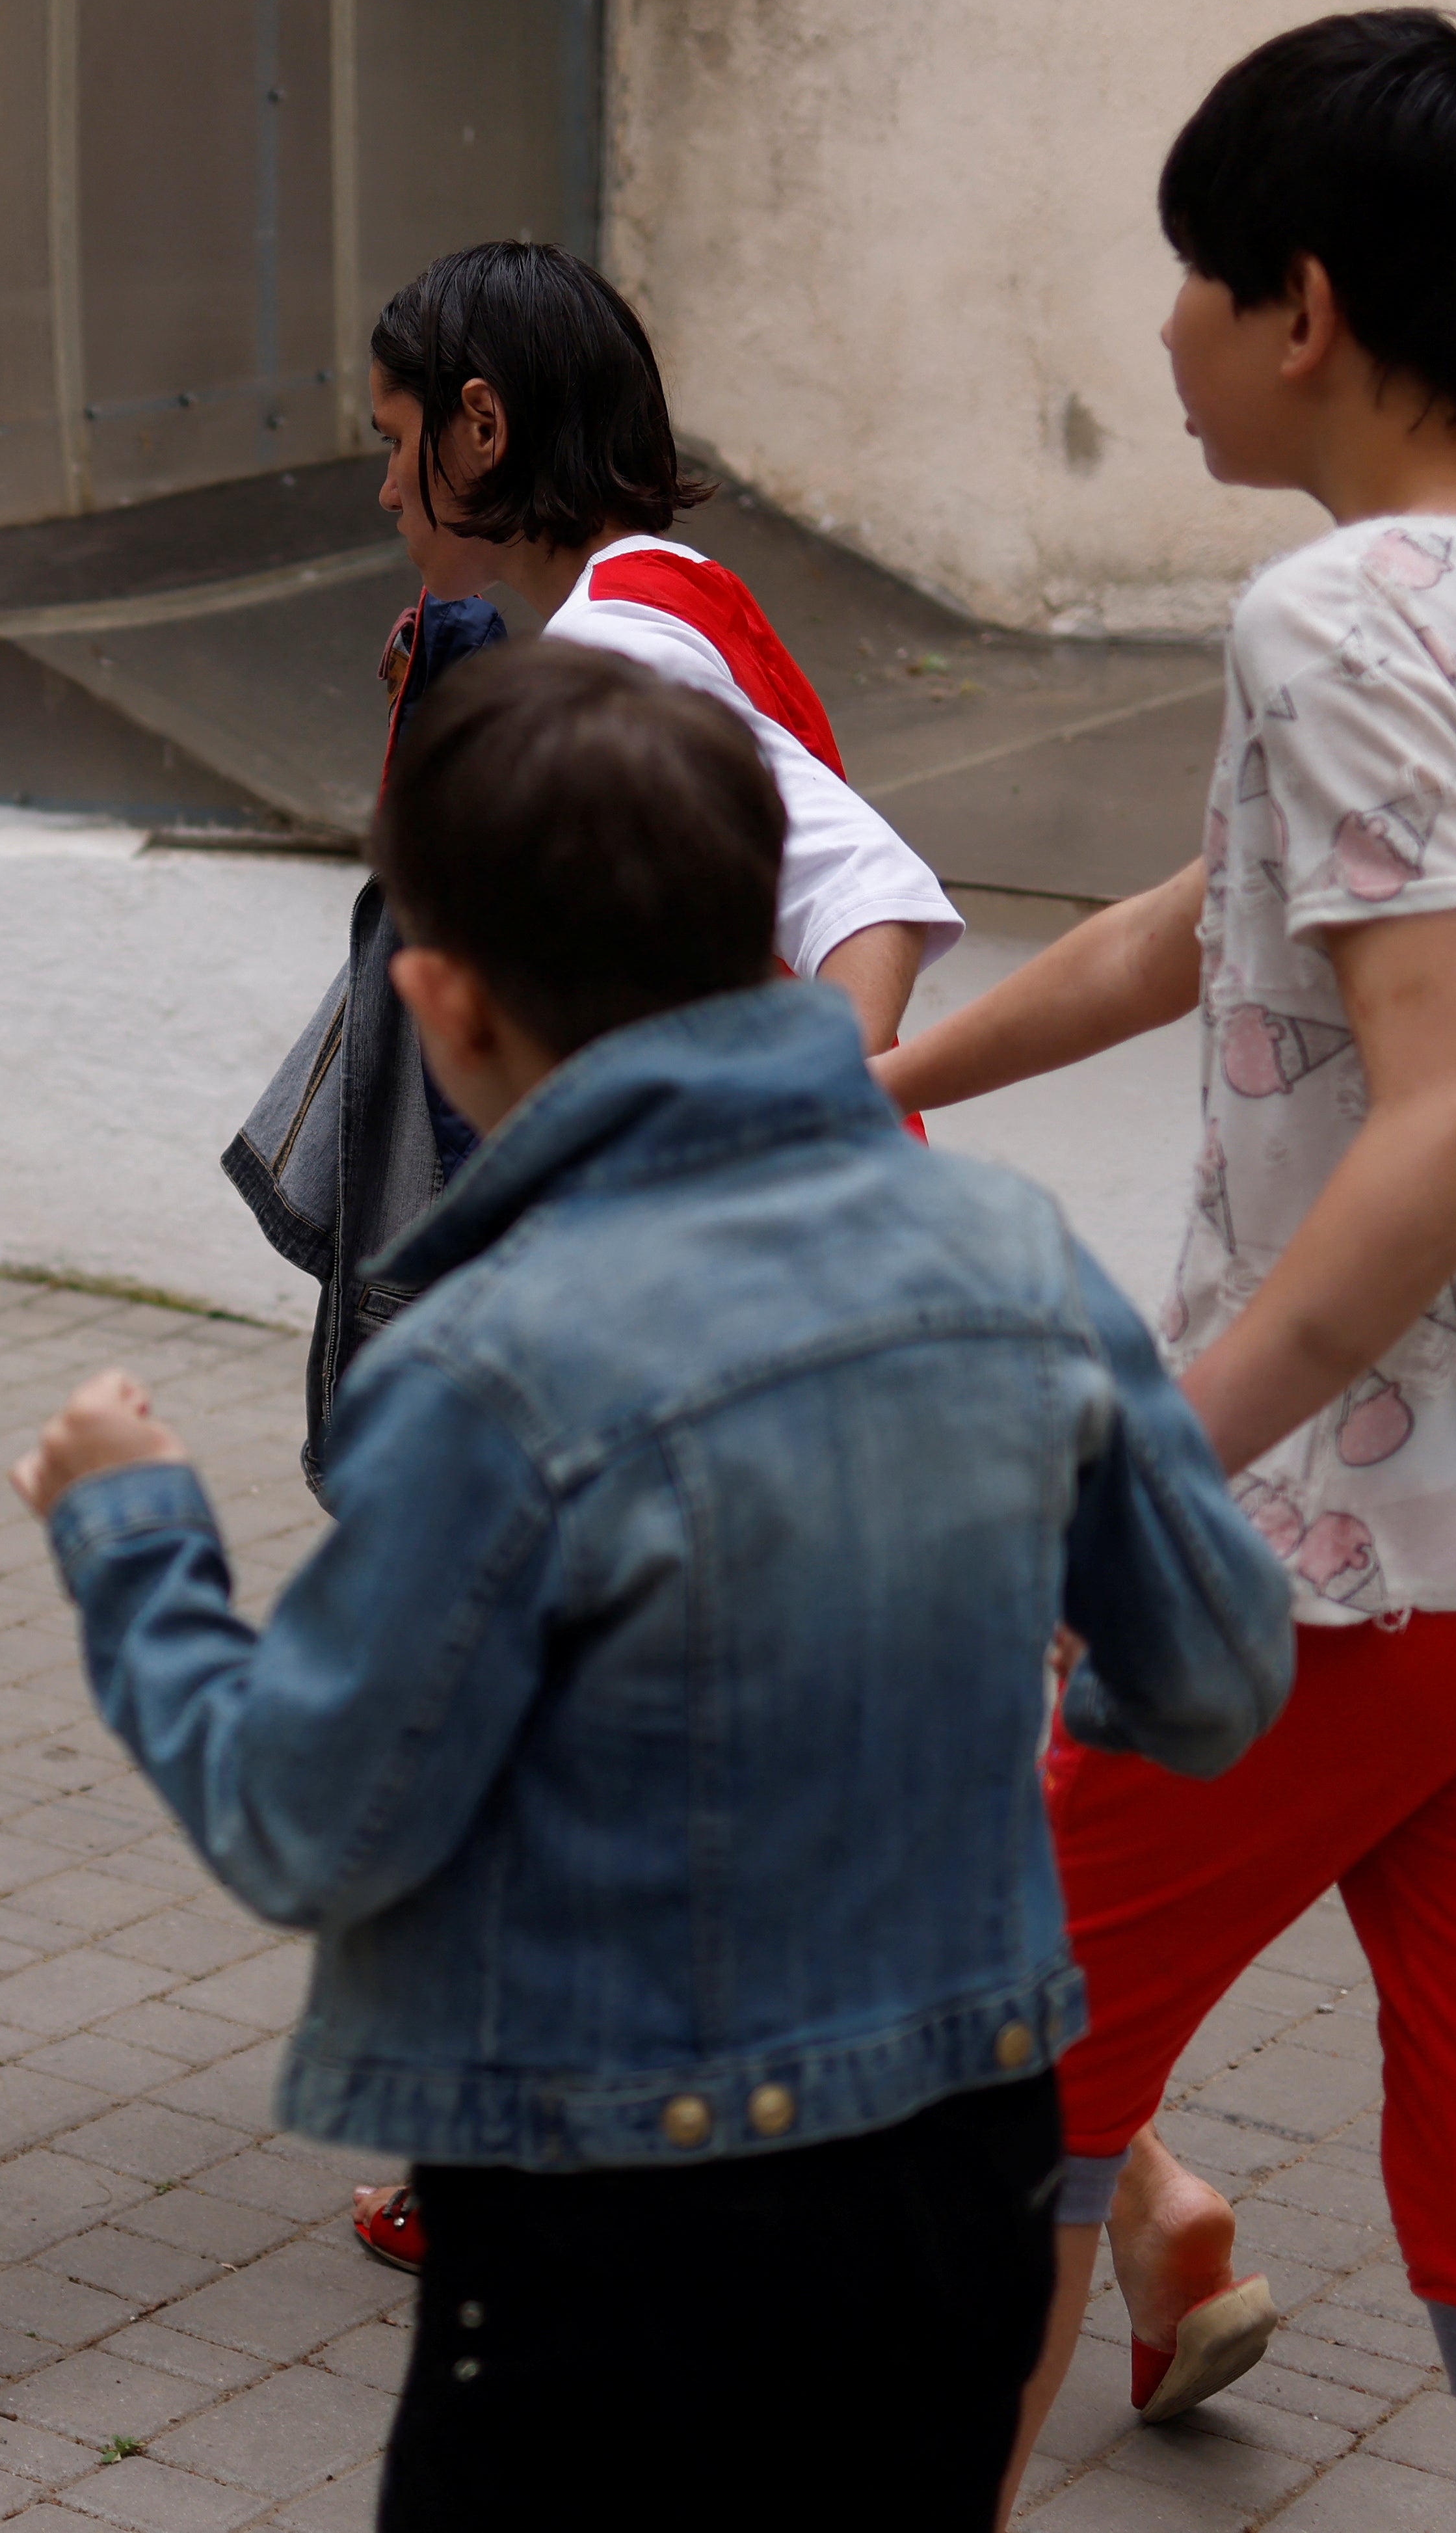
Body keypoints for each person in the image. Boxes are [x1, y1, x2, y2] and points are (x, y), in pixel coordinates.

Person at [16, 646, 1293, 2526]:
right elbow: (1213, 1674)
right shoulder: (1006, 1252)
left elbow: (310, 1821)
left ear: (437, 1004)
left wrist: (138, 1541)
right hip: (970, 2166)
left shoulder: (492, 1367)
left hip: (615, 2228)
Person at [877, 14, 1456, 2529]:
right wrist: (882, 1086)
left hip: (1325, 1586)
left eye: (1188, 280)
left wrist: (1136, 1474)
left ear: (1302, 307)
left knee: (981, 2149)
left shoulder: (1331, 617)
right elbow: (1195, 928)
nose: (1162, 334)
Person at [225, 239, 968, 2272]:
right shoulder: (679, 605)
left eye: (397, 443)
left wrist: (773, 1119)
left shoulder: (623, 648)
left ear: (482, 425)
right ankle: (1142, 2198)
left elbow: (867, 887)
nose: (383, 492)